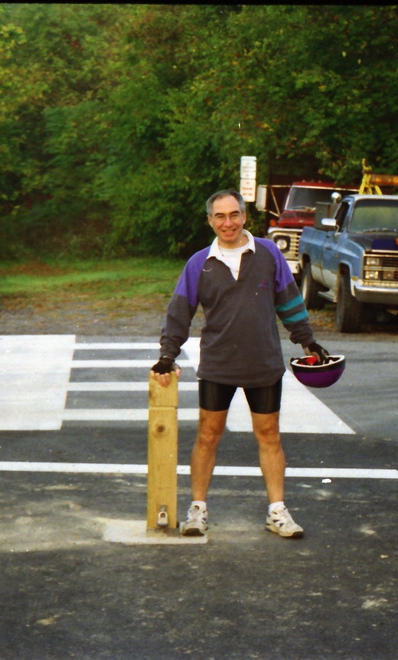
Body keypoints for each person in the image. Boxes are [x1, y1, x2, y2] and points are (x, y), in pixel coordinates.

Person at [150, 189, 328, 539]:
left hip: (263, 364)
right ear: (210, 221)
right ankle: (197, 510)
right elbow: (179, 312)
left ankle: (277, 511)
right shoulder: (199, 263)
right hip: (218, 365)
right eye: (220, 216)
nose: (227, 223)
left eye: (234, 215)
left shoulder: (269, 254)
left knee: (269, 436)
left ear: (244, 216)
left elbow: (289, 302)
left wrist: (308, 340)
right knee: (207, 436)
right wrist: (167, 354)